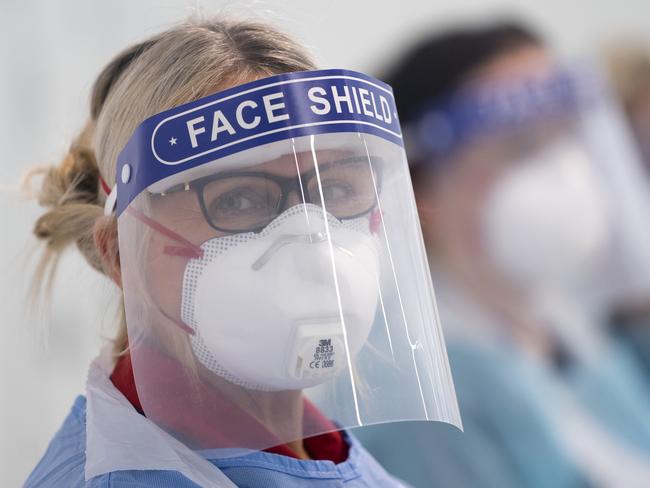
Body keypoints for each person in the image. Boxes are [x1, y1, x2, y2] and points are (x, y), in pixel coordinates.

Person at [23, 15, 460, 488]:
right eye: (237, 199)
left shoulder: (327, 457)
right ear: (120, 254)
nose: (312, 241)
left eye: (334, 189)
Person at [356, 21, 650, 488]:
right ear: (418, 185)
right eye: (522, 145)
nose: (563, 170)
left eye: (565, 135)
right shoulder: (416, 391)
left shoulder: (563, 325)